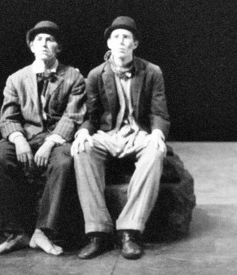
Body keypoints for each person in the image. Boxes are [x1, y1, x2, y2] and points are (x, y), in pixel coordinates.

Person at [71, 16, 170, 260]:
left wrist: (157, 133)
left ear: (135, 44)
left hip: (139, 134)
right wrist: (83, 131)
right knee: (82, 150)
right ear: (109, 43)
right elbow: (91, 116)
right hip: (109, 135)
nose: (121, 42)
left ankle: (129, 231)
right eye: (116, 37)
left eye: (126, 37)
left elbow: (159, 112)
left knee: (156, 152)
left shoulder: (152, 72)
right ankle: (98, 232)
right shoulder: (96, 75)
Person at [0, 20, 86, 256]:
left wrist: (50, 143)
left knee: (63, 163)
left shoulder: (73, 77)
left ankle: (43, 232)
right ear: (31, 46)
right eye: (38, 39)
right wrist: (19, 140)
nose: (43, 43)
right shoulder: (16, 78)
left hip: (56, 138)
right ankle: (15, 233)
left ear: (58, 48)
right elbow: (8, 117)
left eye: (50, 40)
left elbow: (72, 116)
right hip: (25, 135)